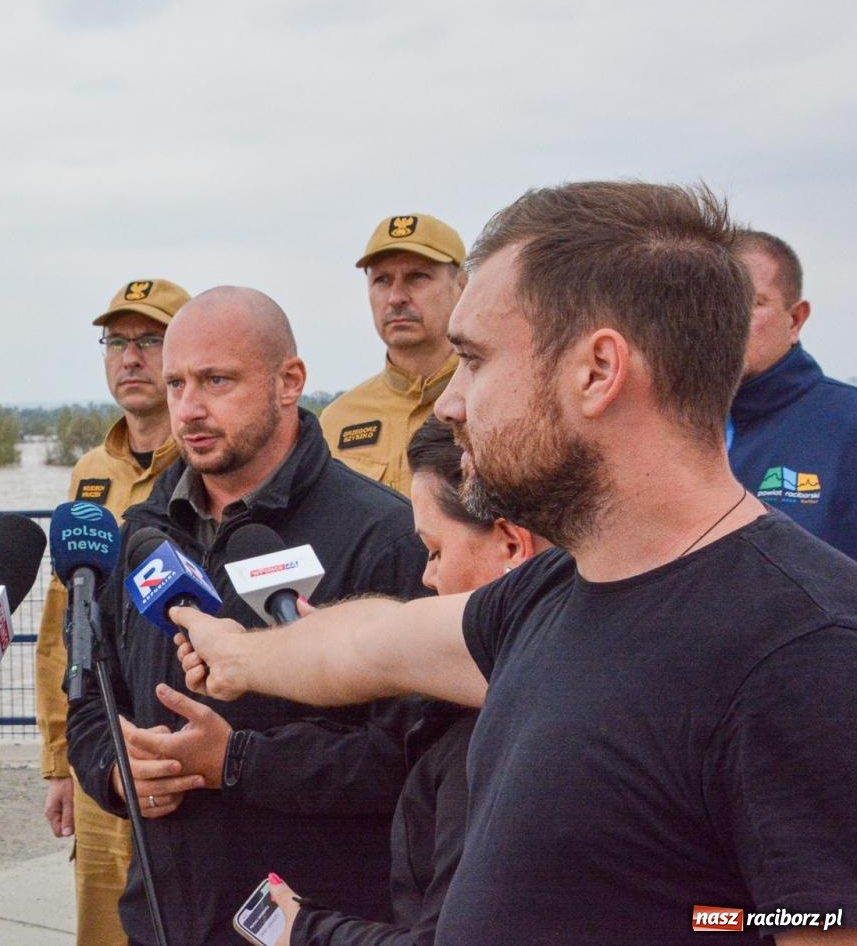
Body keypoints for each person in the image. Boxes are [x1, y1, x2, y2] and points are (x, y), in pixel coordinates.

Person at [174, 184, 857, 945]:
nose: (449, 404)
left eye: (473, 360)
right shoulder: (555, 591)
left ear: (598, 370)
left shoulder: (806, 654)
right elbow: (372, 643)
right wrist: (235, 652)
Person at [66, 286, 429, 946]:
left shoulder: (384, 536)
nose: (190, 408)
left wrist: (235, 761)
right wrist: (118, 774)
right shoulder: (140, 535)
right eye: (177, 384)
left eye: (217, 381)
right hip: (162, 920)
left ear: (289, 381)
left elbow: (408, 760)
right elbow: (90, 700)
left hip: (320, 921)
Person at [275, 415, 546, 946]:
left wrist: (303, 930)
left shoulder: (490, 745)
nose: (427, 576)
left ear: (512, 546)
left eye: (436, 550)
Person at [34, 277, 191, 946]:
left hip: (182, 747)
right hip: (101, 748)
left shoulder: (212, 461)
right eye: (117, 342)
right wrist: (60, 759)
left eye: (150, 340)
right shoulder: (90, 472)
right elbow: (60, 627)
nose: (130, 357)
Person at [726, 230, 857, 559]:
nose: (728, 320)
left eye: (753, 303)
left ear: (795, 318)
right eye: (716, 303)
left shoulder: (847, 425)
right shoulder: (661, 426)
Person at [320, 214, 466, 496]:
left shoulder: (493, 402)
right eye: (382, 280)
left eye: (417, 277)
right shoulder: (336, 421)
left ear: (462, 286)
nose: (396, 297)